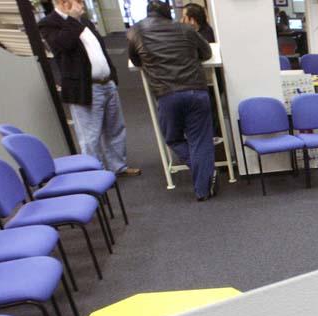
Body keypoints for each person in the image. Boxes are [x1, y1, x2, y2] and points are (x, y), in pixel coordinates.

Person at [39, 0, 141, 177]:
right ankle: (95, 175)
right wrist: (71, 19)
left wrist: (112, 76)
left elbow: (99, 49)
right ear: (63, 3)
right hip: (85, 88)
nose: (82, 4)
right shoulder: (49, 23)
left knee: (115, 129)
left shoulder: (84, 21)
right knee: (90, 137)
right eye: (77, 1)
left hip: (107, 83)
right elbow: (62, 46)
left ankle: (117, 167)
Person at [128, 0, 217, 201]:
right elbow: (206, 53)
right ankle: (203, 189)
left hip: (166, 94)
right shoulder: (186, 29)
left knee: (173, 138)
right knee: (200, 140)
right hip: (196, 90)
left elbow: (135, 60)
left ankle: (205, 173)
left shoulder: (136, 31)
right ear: (168, 13)